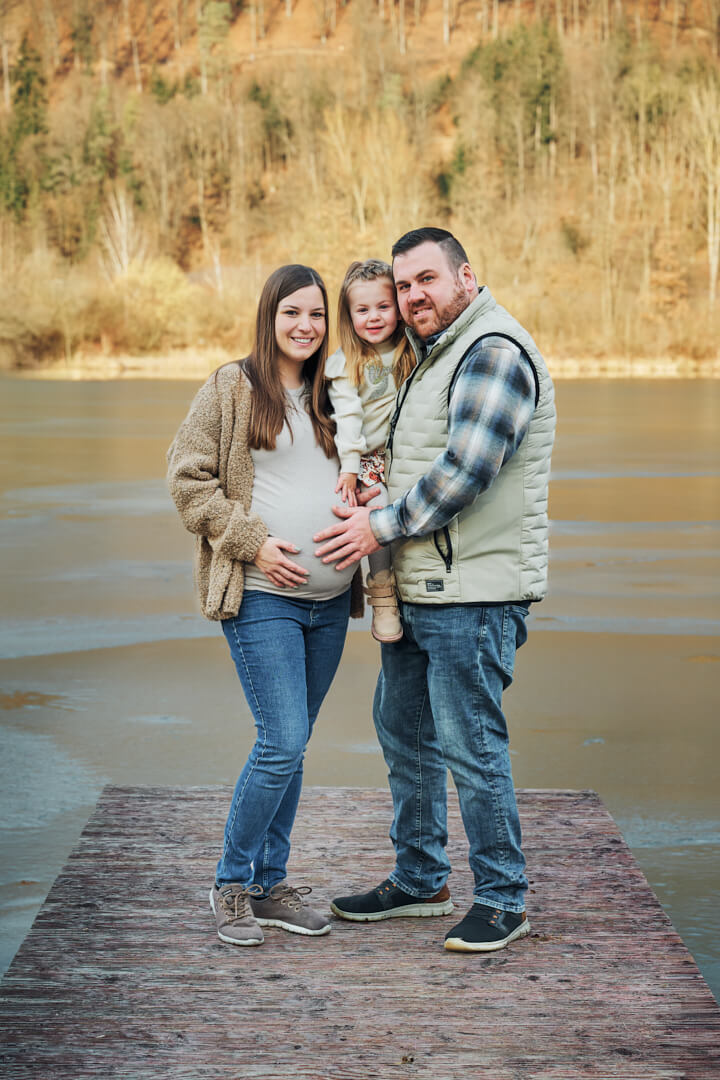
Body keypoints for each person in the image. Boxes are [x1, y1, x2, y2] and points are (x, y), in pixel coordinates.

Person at [314, 227, 556, 953]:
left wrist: (374, 528)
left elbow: (464, 474)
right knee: (405, 734)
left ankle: (503, 899)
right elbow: (412, 452)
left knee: (470, 746)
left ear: (465, 277)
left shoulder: (493, 353)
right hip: (427, 586)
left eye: (427, 280)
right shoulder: (431, 357)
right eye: (404, 285)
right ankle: (421, 878)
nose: (414, 295)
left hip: (474, 594)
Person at [167, 264, 361, 947]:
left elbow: (362, 471)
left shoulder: (337, 393)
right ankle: (229, 882)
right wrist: (251, 543)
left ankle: (271, 884)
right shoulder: (233, 386)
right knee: (281, 741)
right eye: (291, 314)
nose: (305, 326)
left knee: (295, 747)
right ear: (268, 317)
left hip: (331, 603)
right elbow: (188, 482)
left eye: (315, 315)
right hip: (261, 596)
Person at [325, 259, 415, 643]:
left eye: (383, 306)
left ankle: (415, 585)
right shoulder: (346, 364)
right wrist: (349, 468)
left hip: (410, 452)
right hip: (369, 458)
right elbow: (348, 418)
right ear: (348, 315)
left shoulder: (414, 347)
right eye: (362, 310)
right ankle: (382, 593)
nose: (374, 317)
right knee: (377, 510)